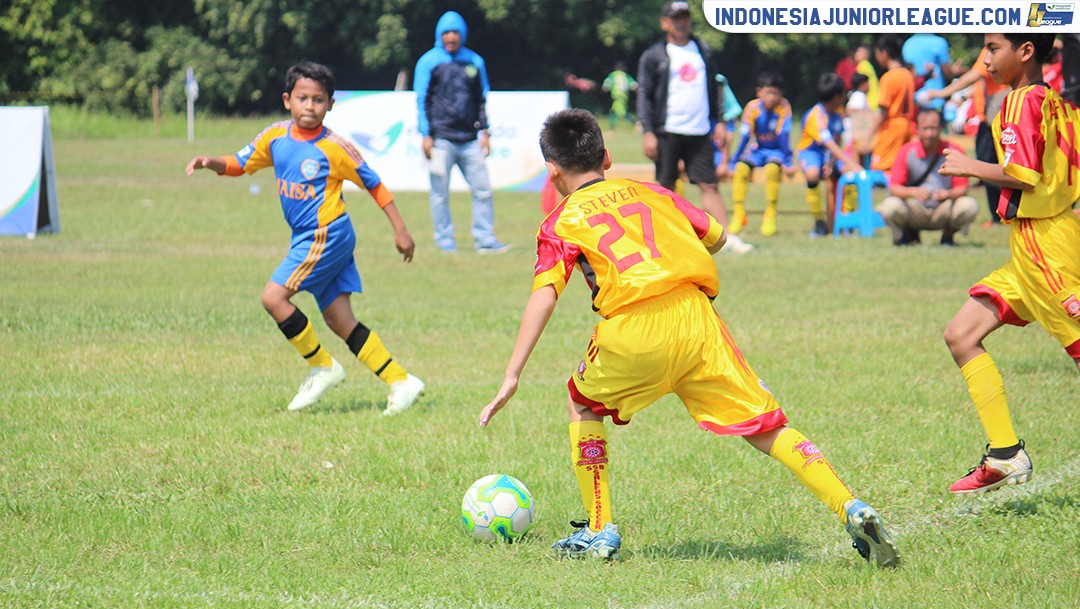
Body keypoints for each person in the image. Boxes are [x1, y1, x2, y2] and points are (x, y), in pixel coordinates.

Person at [479, 108, 900, 568]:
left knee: (583, 404)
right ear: (607, 157)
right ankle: (850, 506)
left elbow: (544, 296)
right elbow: (716, 238)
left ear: (552, 171)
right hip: (697, 318)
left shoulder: (560, 221)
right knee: (767, 426)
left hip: (632, 327)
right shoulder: (655, 193)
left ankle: (600, 528)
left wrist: (512, 373)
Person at [185, 61, 426, 415]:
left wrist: (400, 229)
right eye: (302, 98)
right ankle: (401, 381)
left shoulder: (335, 147)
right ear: (287, 100)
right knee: (339, 320)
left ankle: (323, 367)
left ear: (330, 104)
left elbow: (372, 182)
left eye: (318, 100)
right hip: (311, 235)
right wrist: (211, 162)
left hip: (326, 234)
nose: (309, 106)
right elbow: (240, 163)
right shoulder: (275, 137)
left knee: (273, 297)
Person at [938, 33, 1080, 494]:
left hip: (1045, 248)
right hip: (1033, 244)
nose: (985, 58)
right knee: (961, 334)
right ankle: (1004, 454)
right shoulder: (1055, 100)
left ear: (1025, 52)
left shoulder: (1019, 101)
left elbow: (1024, 173)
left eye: (994, 48)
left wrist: (968, 165)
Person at [637, 0, 753, 255]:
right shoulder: (654, 55)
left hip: (700, 130)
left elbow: (715, 87)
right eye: (675, 18)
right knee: (665, 186)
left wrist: (719, 121)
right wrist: (648, 131)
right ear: (664, 22)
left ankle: (726, 238)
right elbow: (644, 94)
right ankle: (664, 240)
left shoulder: (703, 50)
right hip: (667, 130)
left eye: (685, 17)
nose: (681, 22)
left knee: (709, 184)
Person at [414, 11, 508, 254]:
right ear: (439, 35)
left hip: (469, 139)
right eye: (446, 32)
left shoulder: (474, 61)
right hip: (440, 139)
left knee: (483, 189)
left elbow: (480, 99)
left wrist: (485, 131)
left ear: (462, 34)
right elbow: (422, 99)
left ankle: (485, 239)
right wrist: (426, 134)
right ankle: (445, 242)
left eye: (455, 32)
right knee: (439, 194)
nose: (451, 37)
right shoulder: (428, 62)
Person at [925, 47, 1010, 227]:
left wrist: (943, 93)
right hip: (989, 116)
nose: (987, 61)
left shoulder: (995, 47)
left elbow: (974, 75)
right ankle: (1001, 215)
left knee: (991, 163)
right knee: (993, 162)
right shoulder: (1003, 45)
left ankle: (1002, 215)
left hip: (995, 117)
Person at [878, 107, 979, 246]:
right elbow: (894, 187)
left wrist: (947, 194)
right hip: (915, 208)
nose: (929, 134)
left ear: (941, 128)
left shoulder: (954, 152)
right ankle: (903, 235)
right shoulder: (907, 151)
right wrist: (912, 192)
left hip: (944, 207)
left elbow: (963, 188)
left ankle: (949, 235)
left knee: (969, 206)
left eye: (933, 128)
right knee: (890, 206)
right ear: (917, 129)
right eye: (924, 129)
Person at [727, 71, 795, 237]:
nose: (772, 97)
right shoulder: (752, 107)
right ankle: (739, 213)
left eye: (776, 93)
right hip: (758, 149)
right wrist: (733, 161)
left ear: (781, 94)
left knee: (772, 170)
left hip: (776, 151)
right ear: (759, 92)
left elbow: (783, 136)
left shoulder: (783, 107)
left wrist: (788, 160)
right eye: (768, 92)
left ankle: (770, 213)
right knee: (741, 169)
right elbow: (744, 136)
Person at [797, 73, 864, 237]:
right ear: (836, 96)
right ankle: (819, 221)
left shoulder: (838, 112)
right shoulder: (816, 116)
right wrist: (853, 164)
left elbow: (837, 139)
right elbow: (829, 144)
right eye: (843, 93)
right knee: (813, 174)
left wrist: (833, 162)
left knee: (848, 174)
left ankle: (848, 221)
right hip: (811, 152)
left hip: (831, 154)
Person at [871, 35, 916, 172]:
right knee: (901, 166)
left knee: (882, 167)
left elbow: (883, 110)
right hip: (907, 125)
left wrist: (870, 132)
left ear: (884, 53)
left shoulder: (888, 77)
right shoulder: (907, 74)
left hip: (891, 127)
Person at [904, 33, 953, 111]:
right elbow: (948, 73)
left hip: (914, 102)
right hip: (935, 101)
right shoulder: (939, 42)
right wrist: (957, 72)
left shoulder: (907, 44)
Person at [601, 62, 638, 130]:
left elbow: (606, 84)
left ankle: (636, 123)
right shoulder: (625, 75)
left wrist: (605, 88)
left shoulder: (612, 75)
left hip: (617, 96)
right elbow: (634, 85)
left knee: (622, 113)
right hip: (624, 96)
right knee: (613, 111)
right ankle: (611, 129)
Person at [854, 45, 880, 110]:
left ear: (866, 55)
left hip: (869, 102)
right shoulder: (869, 65)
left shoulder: (863, 65)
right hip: (876, 100)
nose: (856, 53)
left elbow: (862, 84)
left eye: (859, 52)